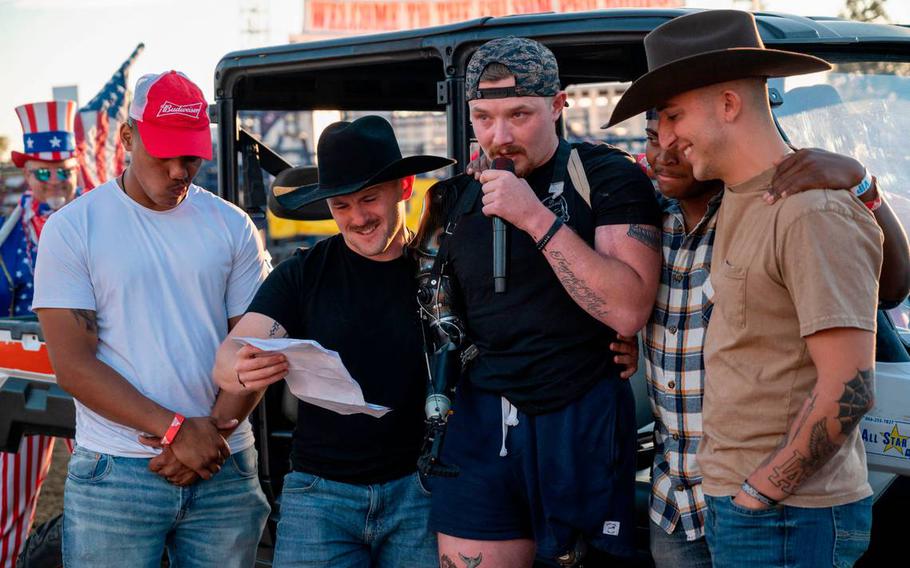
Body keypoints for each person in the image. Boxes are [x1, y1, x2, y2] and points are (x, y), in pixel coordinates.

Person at [608, 10, 885, 566]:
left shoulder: (811, 209)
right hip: (728, 501)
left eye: (674, 116)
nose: (663, 140)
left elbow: (851, 387)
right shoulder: (738, 197)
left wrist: (761, 491)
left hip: (782, 513)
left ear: (729, 105)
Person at [634, 107, 909, 568]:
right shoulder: (646, 221)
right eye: (652, 138)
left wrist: (862, 187)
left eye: (679, 140)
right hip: (674, 497)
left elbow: (894, 287)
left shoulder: (775, 204)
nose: (664, 155)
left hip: (761, 498)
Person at [429, 37, 662, 567]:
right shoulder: (459, 194)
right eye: (483, 118)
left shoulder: (605, 175)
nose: (500, 136)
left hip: (578, 417)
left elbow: (627, 310)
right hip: (483, 422)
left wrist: (533, 216)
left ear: (559, 104)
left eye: (520, 114)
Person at [31, 70, 271, 567]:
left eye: (191, 156)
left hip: (223, 466)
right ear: (127, 137)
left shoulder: (232, 225)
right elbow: (74, 366)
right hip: (117, 472)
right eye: (164, 154)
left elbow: (255, 345)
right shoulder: (74, 228)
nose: (180, 170)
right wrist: (180, 432)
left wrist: (211, 438)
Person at [212, 115, 455, 568]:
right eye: (341, 205)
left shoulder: (442, 271)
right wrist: (243, 369)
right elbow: (227, 358)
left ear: (404, 188)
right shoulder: (303, 274)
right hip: (319, 496)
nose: (358, 218)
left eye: (369, 199)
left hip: (419, 488)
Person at [0, 100, 80, 568]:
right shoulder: (9, 238)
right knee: (9, 496)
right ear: (27, 176)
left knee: (110, 480)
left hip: (95, 375)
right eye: (42, 173)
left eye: (62, 172)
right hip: (23, 379)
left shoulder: (97, 224)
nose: (53, 183)